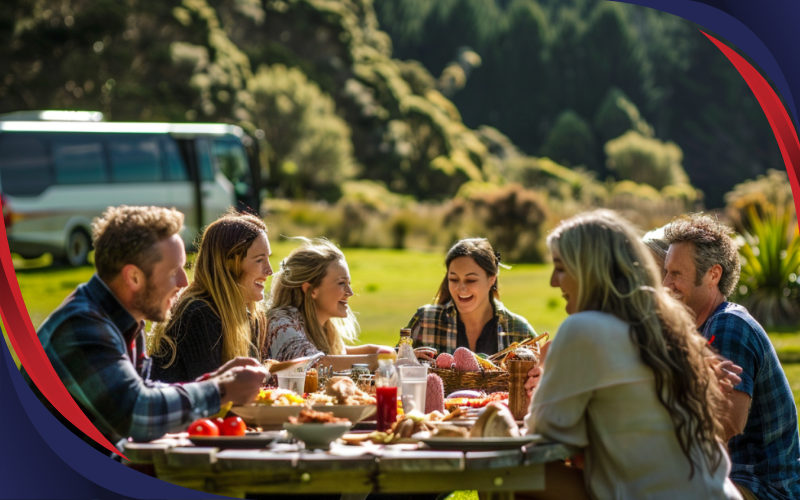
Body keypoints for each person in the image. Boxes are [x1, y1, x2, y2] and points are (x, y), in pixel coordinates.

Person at [522, 209, 741, 499]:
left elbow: (542, 438)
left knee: (513, 477)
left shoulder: (583, 329)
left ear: (589, 270)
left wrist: (497, 417)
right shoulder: (666, 324)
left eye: (561, 268)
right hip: (714, 491)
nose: (552, 281)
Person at [21, 206, 268, 457]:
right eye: (174, 272)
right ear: (134, 277)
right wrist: (219, 391)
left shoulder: (127, 322)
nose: (184, 282)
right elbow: (136, 413)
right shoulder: (82, 328)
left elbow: (145, 393)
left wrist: (214, 382)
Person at [663, 214, 800, 500]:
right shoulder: (701, 328)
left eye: (676, 274)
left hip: (759, 488)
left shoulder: (727, 326)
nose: (666, 283)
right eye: (666, 272)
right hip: (728, 478)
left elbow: (725, 423)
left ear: (713, 275)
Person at [149, 210, 272, 383]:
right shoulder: (198, 313)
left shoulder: (251, 315)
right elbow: (211, 396)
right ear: (228, 264)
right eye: (259, 260)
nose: (269, 270)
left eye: (268, 258)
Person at [264, 238, 392, 369]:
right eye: (341, 283)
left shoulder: (323, 326)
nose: (350, 292)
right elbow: (313, 365)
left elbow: (339, 355)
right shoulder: (281, 324)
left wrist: (390, 353)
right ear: (311, 289)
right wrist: (377, 361)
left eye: (349, 283)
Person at [405, 238, 535, 359]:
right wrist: (405, 361)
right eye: (454, 279)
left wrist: (538, 374)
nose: (461, 288)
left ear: (491, 280)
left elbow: (546, 375)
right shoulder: (425, 320)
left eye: (471, 280)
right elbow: (390, 369)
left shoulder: (519, 330)